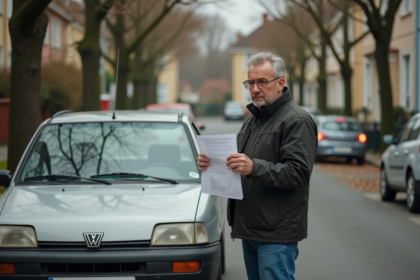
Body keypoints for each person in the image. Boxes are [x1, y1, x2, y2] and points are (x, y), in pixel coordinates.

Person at [197, 52, 318, 280]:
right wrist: (211, 163)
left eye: (262, 81)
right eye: (250, 82)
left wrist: (253, 167)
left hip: (276, 232)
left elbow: (298, 173)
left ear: (280, 83)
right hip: (251, 226)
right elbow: (238, 164)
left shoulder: (297, 120)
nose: (254, 89)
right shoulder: (253, 120)